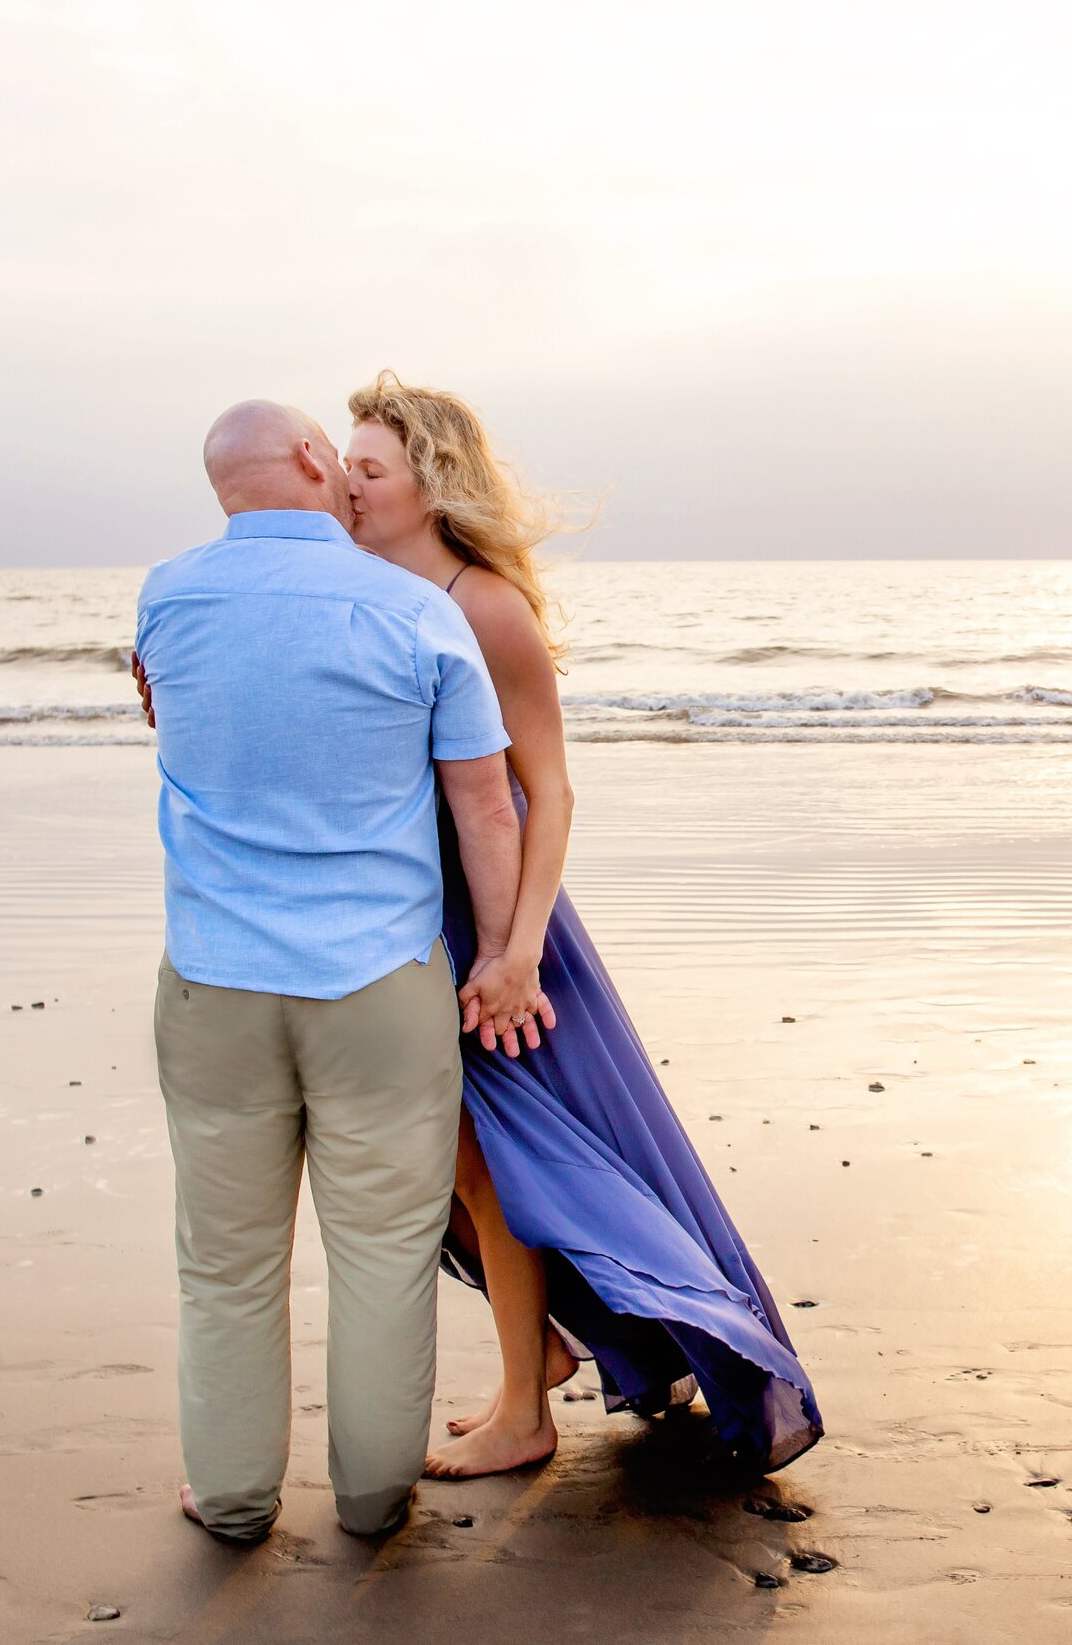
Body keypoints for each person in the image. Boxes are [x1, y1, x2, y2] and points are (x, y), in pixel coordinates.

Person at [341, 371, 822, 1476]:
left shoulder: (483, 603)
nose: (350, 487)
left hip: (502, 923)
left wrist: (515, 951)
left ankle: (525, 1404)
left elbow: (546, 791)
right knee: (450, 1159)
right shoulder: (364, 591)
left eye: (369, 468)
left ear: (430, 478)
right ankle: (543, 1351)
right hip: (409, 911)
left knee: (508, 1162)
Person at [132, 399, 531, 1542]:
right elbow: (484, 805)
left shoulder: (166, 596)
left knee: (226, 1265)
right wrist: (502, 954)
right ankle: (370, 1494)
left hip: (214, 979)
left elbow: (176, 718)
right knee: (383, 1257)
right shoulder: (412, 610)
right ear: (313, 457)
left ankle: (236, 1495)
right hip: (377, 983)